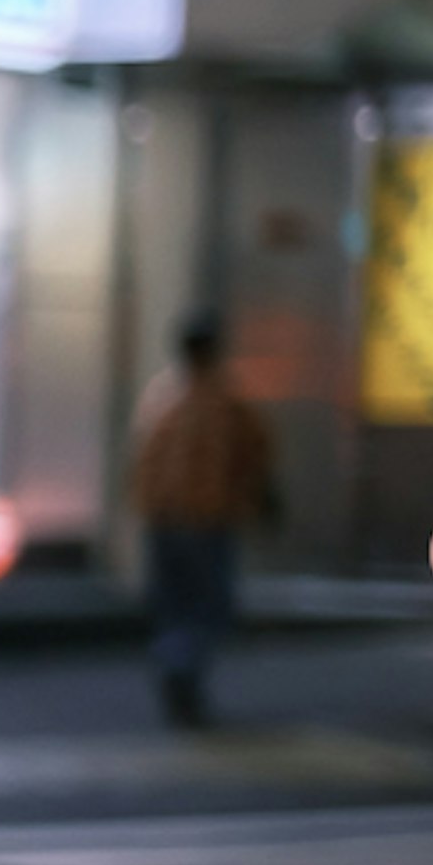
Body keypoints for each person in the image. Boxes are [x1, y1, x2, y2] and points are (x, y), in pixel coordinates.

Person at [127, 311, 273, 729]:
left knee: (173, 606)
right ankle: (182, 671)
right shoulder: (227, 402)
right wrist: (258, 503)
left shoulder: (160, 397)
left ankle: (174, 665)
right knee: (207, 608)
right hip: (207, 522)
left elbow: (141, 463)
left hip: (163, 520)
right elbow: (255, 457)